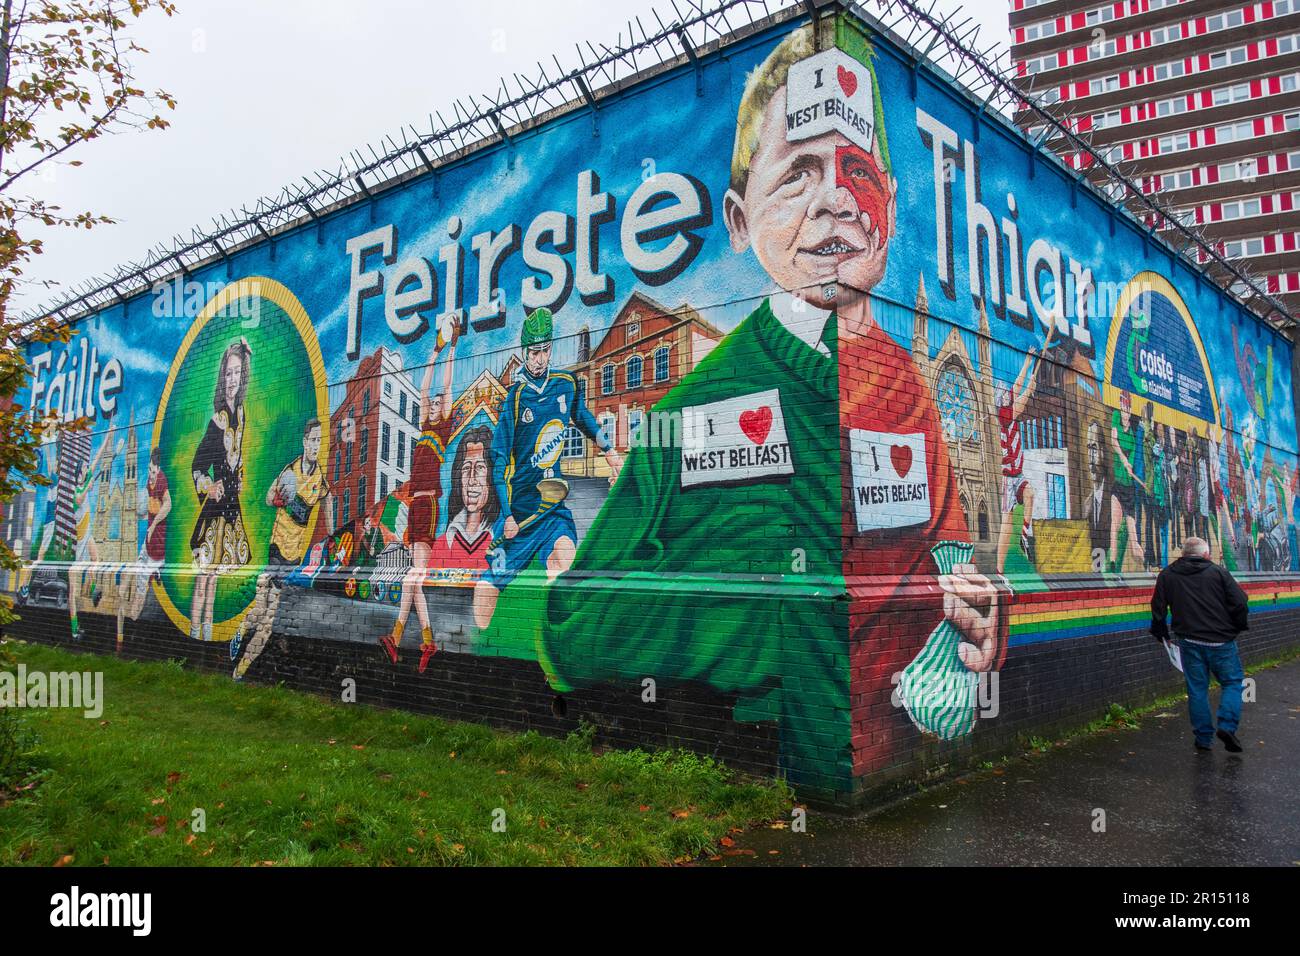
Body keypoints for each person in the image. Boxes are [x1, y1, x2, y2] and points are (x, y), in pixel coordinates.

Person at [528, 21, 1006, 791]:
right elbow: (571, 626)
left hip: (905, 774)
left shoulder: (907, 385)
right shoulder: (689, 413)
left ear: (889, 207)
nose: (836, 200)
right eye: (798, 174)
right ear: (740, 220)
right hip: (767, 773)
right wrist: (749, 609)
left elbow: (951, 560)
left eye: (858, 171)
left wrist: (980, 617)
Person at [471, 307, 622, 629]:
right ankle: (473, 644)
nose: (539, 359)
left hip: (552, 509)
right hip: (520, 513)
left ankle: (554, 635)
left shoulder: (566, 384)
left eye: (544, 351)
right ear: (524, 352)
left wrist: (609, 451)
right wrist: (507, 516)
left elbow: (583, 417)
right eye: (533, 352)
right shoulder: (515, 399)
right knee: (486, 589)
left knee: (565, 560)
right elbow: (498, 462)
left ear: (550, 348)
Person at [380, 323, 459, 673]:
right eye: (433, 404)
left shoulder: (442, 429)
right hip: (415, 506)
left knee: (413, 575)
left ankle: (396, 636)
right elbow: (426, 388)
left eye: (440, 404)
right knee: (416, 582)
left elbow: (445, 386)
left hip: (428, 505)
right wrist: (434, 351)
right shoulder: (425, 426)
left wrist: (452, 349)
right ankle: (427, 642)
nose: (435, 404)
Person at [231, 417, 331, 680]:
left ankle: (240, 672)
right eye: (312, 440)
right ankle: (241, 630)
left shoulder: (319, 477)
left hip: (293, 555)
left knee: (268, 623)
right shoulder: (290, 471)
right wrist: (277, 499)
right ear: (304, 442)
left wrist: (330, 534)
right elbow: (267, 497)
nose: (316, 445)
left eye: (319, 441)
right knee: (260, 611)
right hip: (277, 549)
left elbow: (327, 497)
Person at [1151, 537, 1249, 752]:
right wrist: (1237, 626)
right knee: (1232, 682)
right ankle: (1227, 726)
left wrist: (1161, 633)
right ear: (1206, 554)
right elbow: (1240, 602)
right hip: (1221, 641)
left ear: (1183, 554)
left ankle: (1204, 739)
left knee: (1197, 689)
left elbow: (1158, 607)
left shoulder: (1167, 574)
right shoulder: (1218, 572)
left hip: (1189, 641)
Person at [189, 339, 253, 642]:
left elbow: (238, 458)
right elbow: (198, 464)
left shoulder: (241, 414)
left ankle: (206, 631)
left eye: (237, 372)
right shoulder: (218, 421)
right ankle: (194, 634)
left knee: (214, 578)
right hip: (215, 510)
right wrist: (208, 486)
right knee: (203, 577)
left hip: (230, 507)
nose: (232, 379)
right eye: (228, 373)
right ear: (221, 377)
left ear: (243, 376)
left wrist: (239, 478)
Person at [994, 323, 1055, 573]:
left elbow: (1017, 388)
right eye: (1006, 395)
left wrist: (1028, 363)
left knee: (1030, 494)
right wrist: (1031, 383)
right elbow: (1022, 394)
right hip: (1008, 478)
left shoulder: (1006, 409)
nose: (1009, 394)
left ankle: (1025, 532)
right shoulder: (1006, 415)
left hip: (1017, 475)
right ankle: (999, 569)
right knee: (1006, 522)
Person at [116, 446, 171, 652]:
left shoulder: (161, 480)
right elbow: (150, 508)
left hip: (156, 548)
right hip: (147, 545)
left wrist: (153, 524)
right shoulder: (149, 482)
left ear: (159, 469)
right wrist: (144, 515)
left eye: (153, 471)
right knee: (130, 578)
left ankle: (131, 626)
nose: (151, 474)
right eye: (149, 469)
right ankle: (126, 621)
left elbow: (168, 504)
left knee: (139, 593)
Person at [429, 424, 498, 572]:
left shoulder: (501, 537)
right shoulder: (443, 543)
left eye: (480, 467)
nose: (472, 479)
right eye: (466, 468)